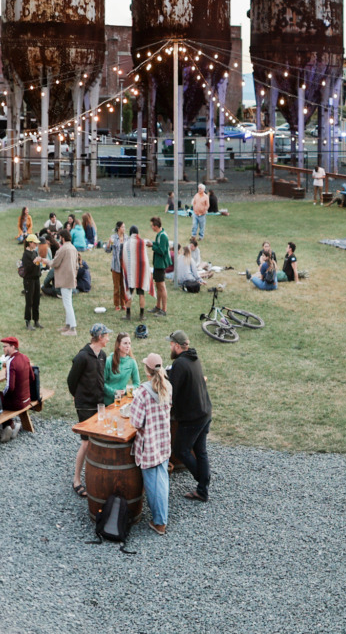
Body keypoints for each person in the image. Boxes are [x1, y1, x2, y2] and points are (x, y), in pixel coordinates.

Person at [126, 353, 174, 534]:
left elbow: (136, 423)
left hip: (149, 444)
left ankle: (160, 522)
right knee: (162, 479)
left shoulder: (143, 392)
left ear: (146, 370)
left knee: (154, 484)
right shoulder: (167, 386)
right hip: (163, 441)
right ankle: (161, 518)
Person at [167, 330, 211, 501]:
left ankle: (202, 480)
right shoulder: (194, 358)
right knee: (200, 450)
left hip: (192, 417)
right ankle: (202, 490)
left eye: (171, 345)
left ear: (178, 346)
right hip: (205, 412)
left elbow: (171, 392)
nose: (170, 347)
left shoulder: (179, 364)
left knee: (181, 450)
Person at [67, 324, 111, 423]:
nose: (108, 339)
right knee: (86, 437)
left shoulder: (102, 355)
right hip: (85, 405)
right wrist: (78, 395)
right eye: (107, 336)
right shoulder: (82, 357)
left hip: (99, 403)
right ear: (100, 337)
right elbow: (71, 380)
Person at [0, 336, 34, 424]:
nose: (3, 349)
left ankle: (9, 425)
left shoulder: (11, 362)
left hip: (17, 404)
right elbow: (32, 377)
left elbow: (10, 387)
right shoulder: (25, 358)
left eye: (5, 346)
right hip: (27, 399)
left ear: (13, 347)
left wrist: (3, 396)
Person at [121, 225, 153, 317]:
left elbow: (125, 258)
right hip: (141, 274)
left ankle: (128, 314)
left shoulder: (127, 244)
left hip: (131, 274)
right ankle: (142, 315)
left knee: (129, 293)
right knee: (141, 294)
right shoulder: (142, 242)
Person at [51, 236, 80, 335]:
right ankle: (68, 325)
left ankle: (72, 328)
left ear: (62, 238)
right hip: (71, 278)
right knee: (68, 302)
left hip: (65, 279)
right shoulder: (73, 248)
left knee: (67, 304)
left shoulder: (63, 249)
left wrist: (45, 261)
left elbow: (55, 263)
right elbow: (77, 265)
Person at [102, 332, 141, 398]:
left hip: (123, 401)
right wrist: (114, 392)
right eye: (125, 343)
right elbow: (102, 383)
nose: (128, 346)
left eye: (129, 343)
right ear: (119, 345)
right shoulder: (108, 361)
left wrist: (126, 390)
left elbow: (137, 384)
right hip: (108, 401)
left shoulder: (132, 362)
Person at [148, 217, 172, 316]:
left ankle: (164, 309)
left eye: (152, 225)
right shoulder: (159, 235)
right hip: (157, 264)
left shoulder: (163, 236)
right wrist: (152, 243)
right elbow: (158, 245)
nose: (151, 227)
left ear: (156, 226)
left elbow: (162, 251)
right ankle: (158, 306)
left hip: (161, 264)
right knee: (158, 285)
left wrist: (152, 246)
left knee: (161, 286)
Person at [19, 236, 43, 329]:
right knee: (29, 301)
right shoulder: (26, 254)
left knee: (37, 300)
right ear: (30, 243)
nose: (36, 244)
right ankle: (28, 321)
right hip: (29, 280)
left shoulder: (35, 252)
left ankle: (36, 320)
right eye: (34, 243)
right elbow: (27, 268)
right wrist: (34, 262)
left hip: (36, 279)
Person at [107, 221, 128, 312]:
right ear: (118, 228)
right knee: (116, 286)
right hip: (116, 264)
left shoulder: (127, 238)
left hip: (125, 264)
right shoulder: (113, 238)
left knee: (123, 285)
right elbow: (108, 250)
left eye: (124, 227)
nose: (124, 229)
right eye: (123, 227)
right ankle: (116, 304)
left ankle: (123, 303)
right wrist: (109, 243)